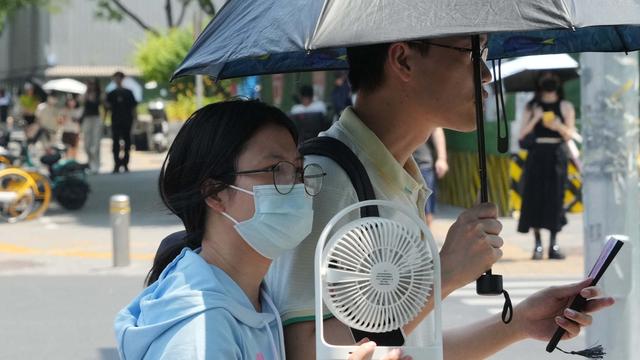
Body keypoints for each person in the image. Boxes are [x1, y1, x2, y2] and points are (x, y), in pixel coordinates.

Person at [265, 36, 614, 359]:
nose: (486, 73)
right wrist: (442, 275)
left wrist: (518, 323)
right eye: (472, 53)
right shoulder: (328, 180)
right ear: (403, 60)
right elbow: (306, 350)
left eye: (486, 55)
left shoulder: (397, 175)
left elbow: (412, 347)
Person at [114, 100, 410, 360]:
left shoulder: (254, 300)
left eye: (297, 170)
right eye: (275, 170)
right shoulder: (199, 331)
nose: (296, 187)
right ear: (215, 193)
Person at [517, 71, 576, 260]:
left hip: (557, 155)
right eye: (545, 76)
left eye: (553, 76)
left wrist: (557, 125)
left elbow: (569, 135)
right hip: (536, 155)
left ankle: (553, 243)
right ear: (539, 81)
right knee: (534, 198)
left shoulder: (565, 106)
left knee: (555, 198)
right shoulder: (531, 106)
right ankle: (537, 244)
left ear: (559, 81)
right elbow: (521, 136)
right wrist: (536, 118)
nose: (550, 80)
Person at [412, 127, 449, 226]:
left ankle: (425, 239)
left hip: (423, 165)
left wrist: (442, 158)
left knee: (426, 213)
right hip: (398, 163)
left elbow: (436, 128)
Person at [105, 71, 137, 173]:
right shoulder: (111, 94)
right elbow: (107, 108)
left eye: (119, 78)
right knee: (115, 143)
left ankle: (126, 164)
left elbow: (133, 107)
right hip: (115, 120)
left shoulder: (129, 92)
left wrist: (136, 119)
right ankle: (117, 164)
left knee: (127, 142)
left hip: (127, 120)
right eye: (116, 78)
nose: (118, 80)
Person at [81, 79, 103, 173]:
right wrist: (87, 92)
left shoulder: (100, 95)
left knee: (95, 144)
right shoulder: (85, 94)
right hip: (87, 119)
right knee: (86, 145)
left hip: (96, 119)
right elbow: (81, 101)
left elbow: (103, 104)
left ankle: (96, 165)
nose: (92, 86)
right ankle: (90, 163)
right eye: (90, 84)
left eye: (93, 84)